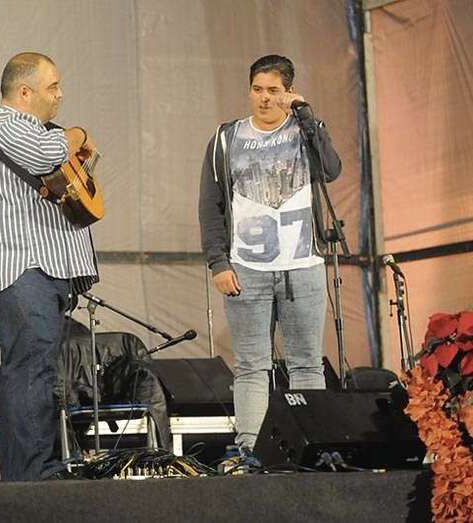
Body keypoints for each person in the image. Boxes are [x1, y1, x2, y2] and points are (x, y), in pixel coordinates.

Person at [198, 55, 342, 462]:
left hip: (303, 265)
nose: (264, 98)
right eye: (257, 89)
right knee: (251, 365)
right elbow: (210, 204)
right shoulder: (227, 138)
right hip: (246, 268)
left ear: (289, 92)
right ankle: (252, 450)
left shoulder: (305, 131)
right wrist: (218, 262)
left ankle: (313, 449)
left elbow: (331, 170)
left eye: (273, 90)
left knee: (307, 364)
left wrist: (308, 119)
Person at [0, 52, 98, 481]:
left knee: (36, 370)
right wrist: (77, 134)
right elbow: (47, 155)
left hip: (39, 270)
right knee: (29, 369)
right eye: (52, 86)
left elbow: (59, 173)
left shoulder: (32, 132)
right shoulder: (8, 124)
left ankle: (32, 472)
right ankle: (31, 477)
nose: (60, 95)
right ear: (24, 93)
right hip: (20, 268)